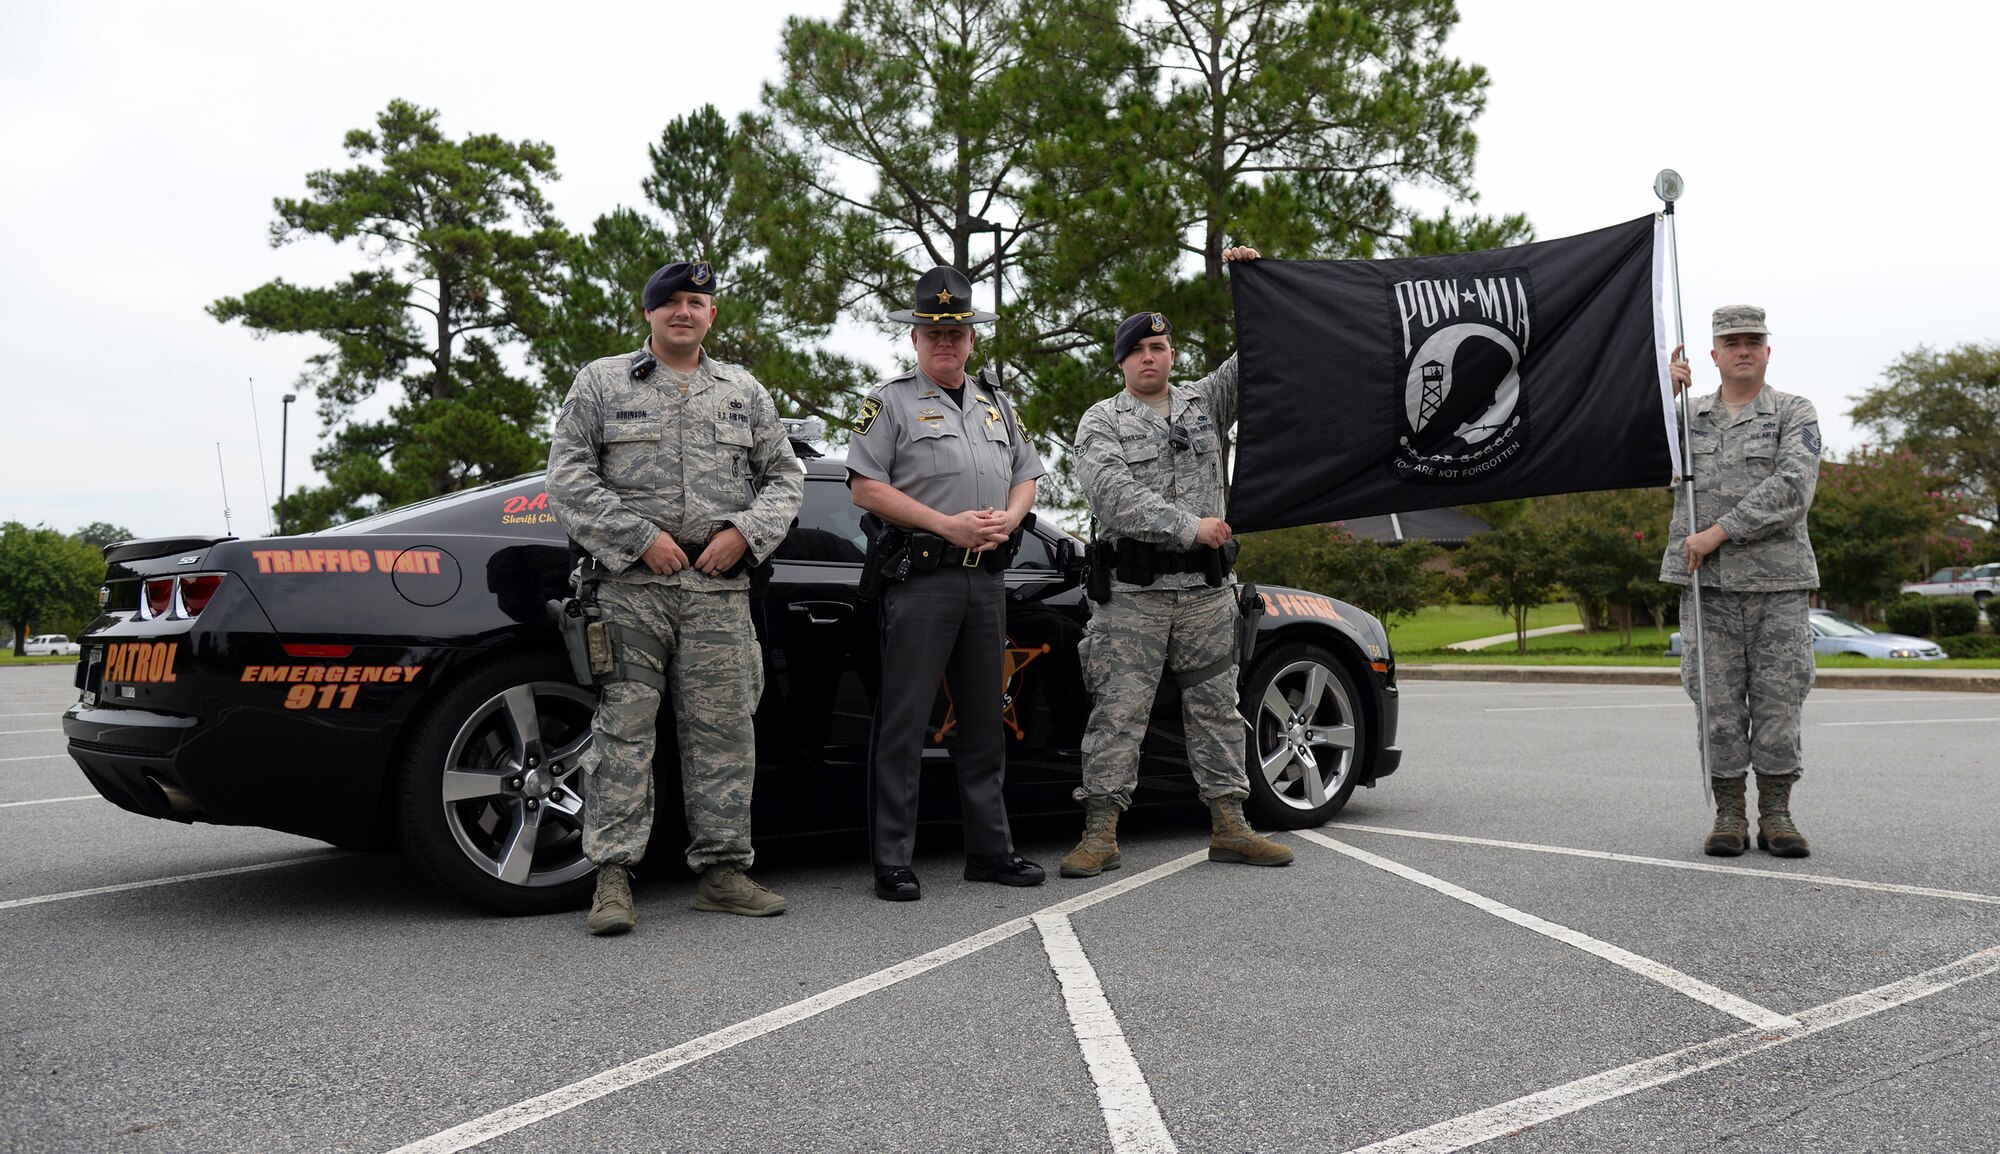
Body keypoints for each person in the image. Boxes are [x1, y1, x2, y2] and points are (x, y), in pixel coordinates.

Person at [547, 260, 806, 935]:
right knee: (622, 732)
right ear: (649, 314)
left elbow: (784, 477)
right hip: (632, 591)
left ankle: (722, 873)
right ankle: (611, 878)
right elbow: (568, 479)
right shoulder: (601, 383)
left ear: (712, 315)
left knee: (724, 734)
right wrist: (638, 539)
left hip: (718, 593)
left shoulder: (743, 391)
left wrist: (744, 536)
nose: (684, 312)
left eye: (696, 301)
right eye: (671, 302)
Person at [1059, 248, 1295, 878]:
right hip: (1133, 595)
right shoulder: (1100, 421)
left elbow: (1264, 352)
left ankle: (1230, 825)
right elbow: (1114, 497)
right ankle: (1101, 832)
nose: (1149, 358)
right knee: (1118, 713)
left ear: (1171, 355)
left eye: (1158, 349)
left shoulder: (1205, 404)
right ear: (1122, 361)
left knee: (1218, 708)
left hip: (1205, 595)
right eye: (1137, 351)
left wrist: (1253, 279)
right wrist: (1193, 526)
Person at [847, 265, 1046, 901]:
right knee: (904, 722)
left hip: (985, 581)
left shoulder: (997, 406)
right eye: (933, 332)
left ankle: (990, 850)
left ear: (970, 338)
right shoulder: (889, 402)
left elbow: (1027, 475)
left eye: (956, 331)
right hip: (923, 580)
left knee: (986, 720)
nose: (945, 342)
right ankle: (892, 860)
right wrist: (948, 525)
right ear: (914, 338)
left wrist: (1010, 521)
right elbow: (865, 486)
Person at [1664, 305, 1820, 858]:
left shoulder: (1793, 412)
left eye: (1754, 340)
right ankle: (1728, 814)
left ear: (1768, 350)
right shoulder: (1686, 419)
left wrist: (1718, 533)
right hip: (1708, 590)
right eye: (1732, 342)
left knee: (1780, 700)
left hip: (1776, 584)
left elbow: (1793, 487)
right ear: (1714, 355)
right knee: (1716, 703)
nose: (1744, 349)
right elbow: (1636, 458)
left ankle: (1777, 813)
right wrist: (1664, 397)